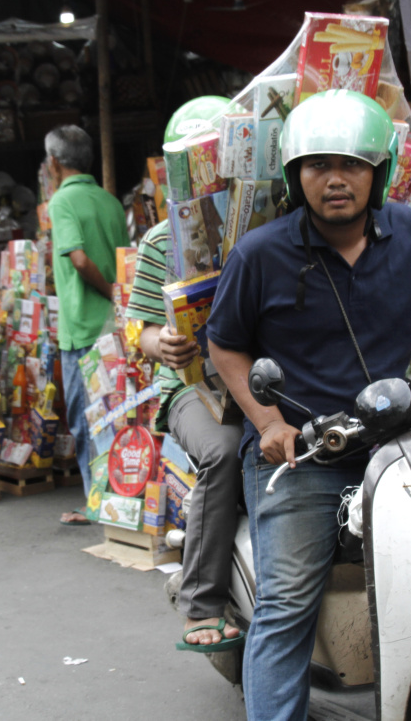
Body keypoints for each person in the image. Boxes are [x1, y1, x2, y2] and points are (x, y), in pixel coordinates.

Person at [206, 90, 411, 721]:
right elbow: (224, 345)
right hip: (303, 450)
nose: (336, 180)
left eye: (353, 165)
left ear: (378, 173)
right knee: (287, 603)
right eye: (318, 166)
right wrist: (268, 420)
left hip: (397, 436)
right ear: (295, 176)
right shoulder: (261, 254)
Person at [125, 219, 245, 651]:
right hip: (193, 386)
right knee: (224, 451)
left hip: (273, 379)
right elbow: (143, 331)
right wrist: (164, 344)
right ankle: (200, 600)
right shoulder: (162, 239)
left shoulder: (290, 220)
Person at [44, 125, 130, 526]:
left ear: (55, 163)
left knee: (85, 418)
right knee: (117, 414)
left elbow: (78, 259)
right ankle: (118, 498)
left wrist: (109, 289)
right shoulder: (110, 202)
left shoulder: (61, 201)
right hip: (115, 329)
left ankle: (97, 503)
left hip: (82, 329)